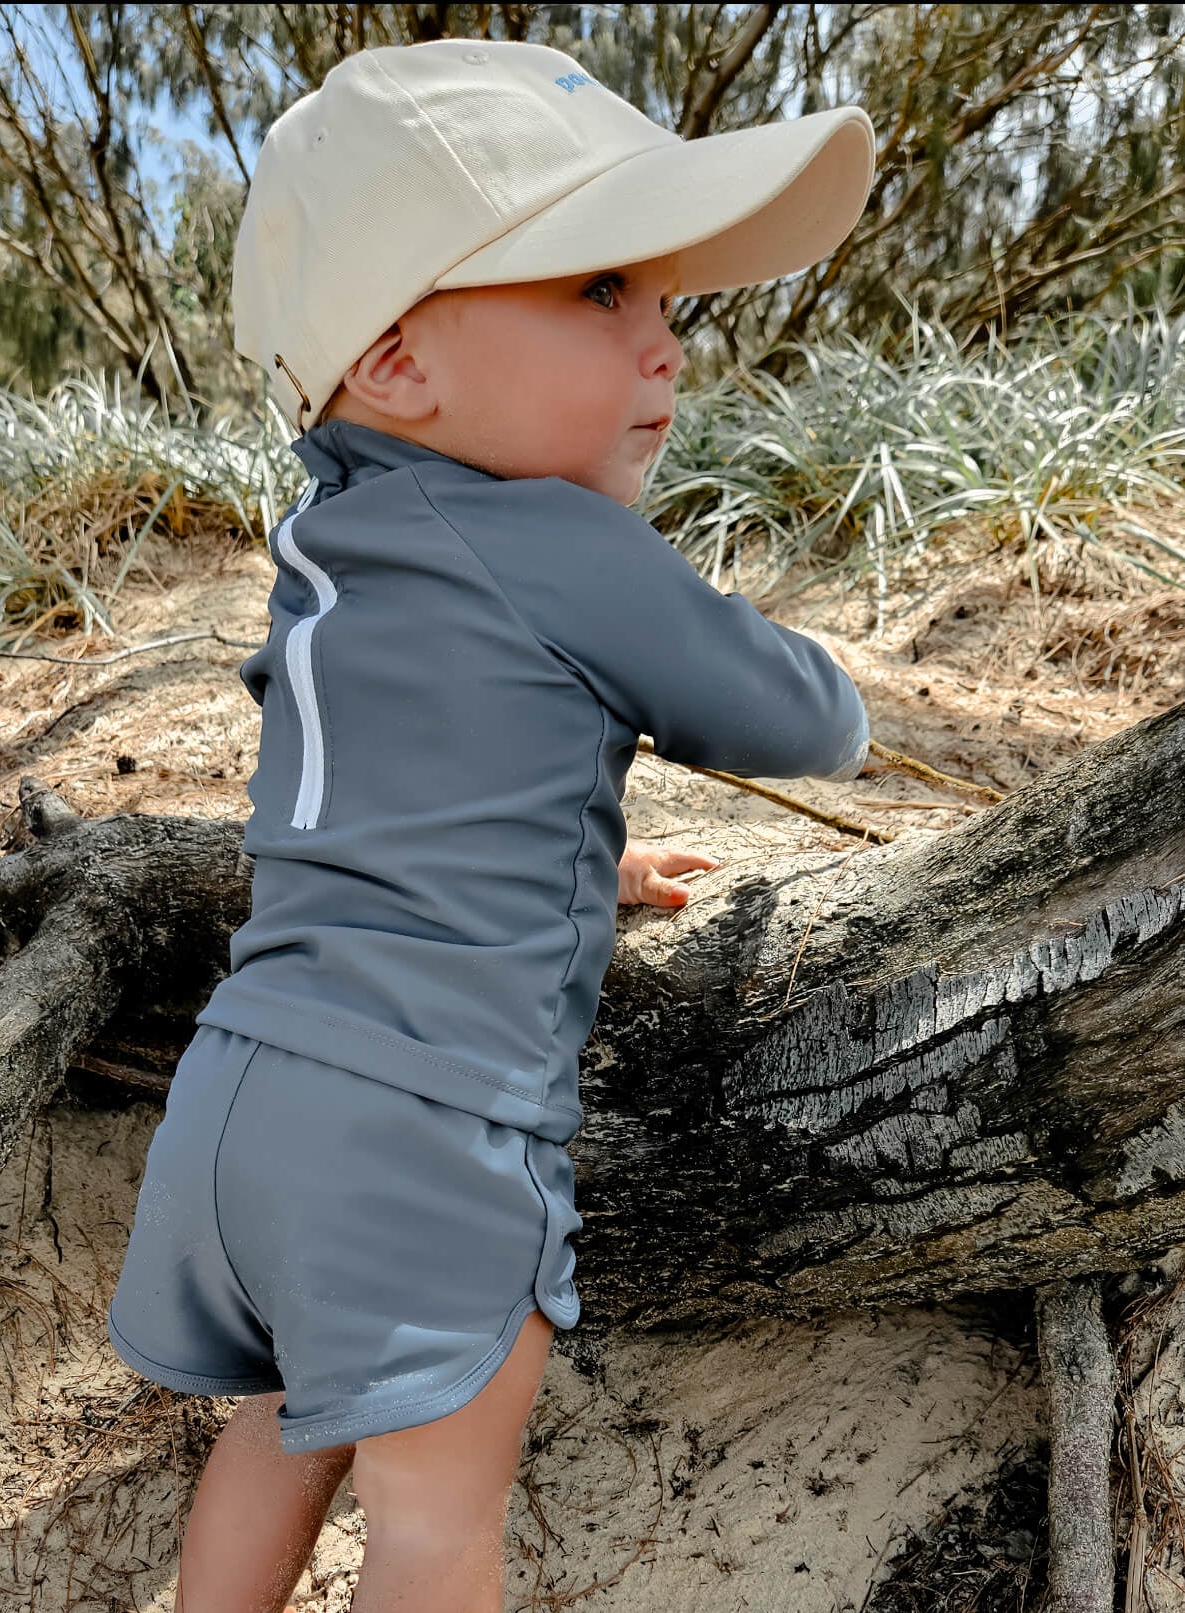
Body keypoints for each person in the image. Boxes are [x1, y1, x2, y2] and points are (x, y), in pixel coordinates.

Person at [104, 36, 875, 1613]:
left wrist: (588, 877)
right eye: (600, 293)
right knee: (436, 1525)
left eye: (661, 303)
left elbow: (419, 802)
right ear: (397, 360)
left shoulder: (332, 542)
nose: (664, 348)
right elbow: (807, 724)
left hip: (242, 1098)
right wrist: (827, 680)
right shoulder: (557, 538)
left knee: (283, 1418)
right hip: (423, 1127)